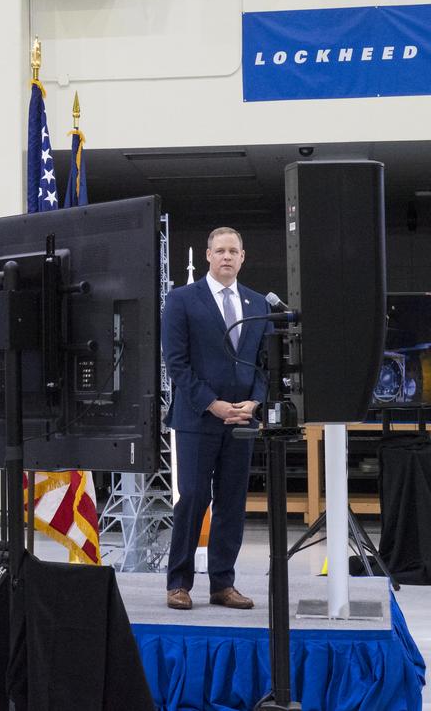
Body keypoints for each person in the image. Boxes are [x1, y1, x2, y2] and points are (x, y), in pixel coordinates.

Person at [162, 227, 270, 611]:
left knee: (231, 502)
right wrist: (213, 404)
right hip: (197, 419)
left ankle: (223, 584)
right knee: (193, 498)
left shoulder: (259, 303)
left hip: (242, 421)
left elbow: (265, 365)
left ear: (243, 257)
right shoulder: (181, 300)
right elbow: (176, 364)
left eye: (233, 251)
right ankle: (179, 582)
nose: (226, 257)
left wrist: (254, 402)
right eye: (220, 250)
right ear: (208, 255)